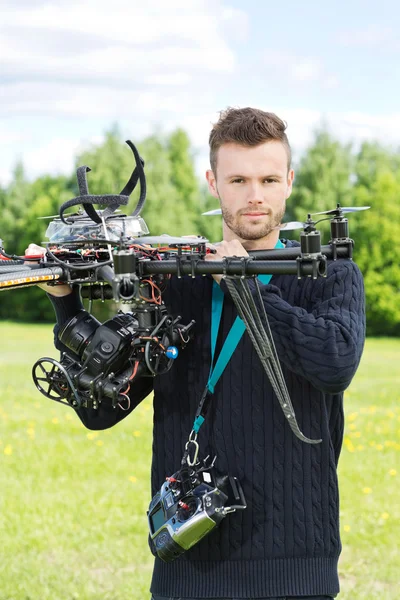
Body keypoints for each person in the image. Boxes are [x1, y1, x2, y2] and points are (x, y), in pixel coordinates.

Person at [29, 107, 366, 599]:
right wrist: (65, 304)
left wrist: (246, 284)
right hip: (188, 566)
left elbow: (335, 363)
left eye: (269, 179)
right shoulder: (175, 282)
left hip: (297, 570)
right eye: (239, 179)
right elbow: (100, 410)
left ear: (289, 181)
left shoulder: (329, 275)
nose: (255, 195)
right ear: (214, 182)